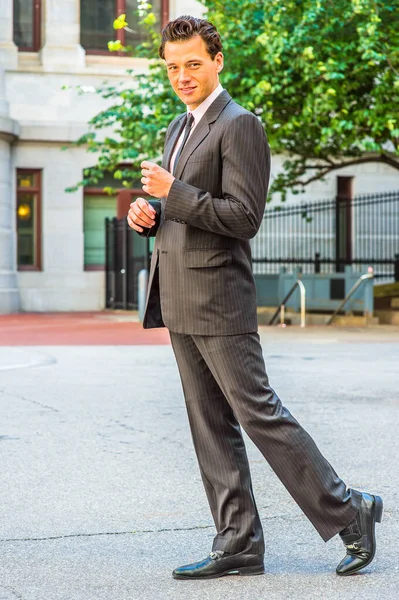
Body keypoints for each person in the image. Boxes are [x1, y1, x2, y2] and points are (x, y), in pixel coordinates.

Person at [127, 15, 383, 580]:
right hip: (179, 296)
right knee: (208, 425)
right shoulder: (179, 127)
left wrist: (175, 193)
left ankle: (351, 510)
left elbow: (243, 218)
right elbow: (184, 210)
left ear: (217, 60)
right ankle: (238, 541)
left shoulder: (240, 125)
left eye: (193, 63)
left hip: (220, 298)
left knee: (259, 415)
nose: (183, 75)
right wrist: (148, 213)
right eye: (173, 67)